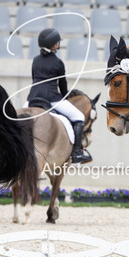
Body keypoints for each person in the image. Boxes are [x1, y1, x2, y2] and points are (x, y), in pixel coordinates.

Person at [27, 28, 92, 164]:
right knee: (79, 117)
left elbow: (34, 79)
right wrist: (65, 98)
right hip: (52, 99)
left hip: (32, 98)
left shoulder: (35, 60)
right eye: (57, 42)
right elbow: (63, 86)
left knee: (18, 118)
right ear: (54, 45)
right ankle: (77, 153)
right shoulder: (58, 62)